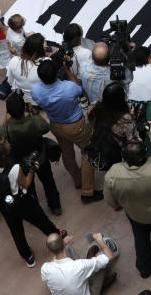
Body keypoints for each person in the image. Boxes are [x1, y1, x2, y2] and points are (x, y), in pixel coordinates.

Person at [104, 122, 151, 280]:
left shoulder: (114, 173)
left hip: (136, 215)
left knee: (140, 238)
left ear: (124, 158)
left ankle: (144, 268)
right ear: (145, 155)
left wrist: (117, 206)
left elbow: (110, 200)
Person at [31, 59, 101, 202]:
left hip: (56, 125)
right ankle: (87, 191)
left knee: (67, 152)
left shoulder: (35, 90)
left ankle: (77, 180)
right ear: (57, 73)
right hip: (76, 125)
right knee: (88, 152)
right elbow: (79, 88)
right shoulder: (68, 87)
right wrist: (68, 70)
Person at [0, 138, 61, 267]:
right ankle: (57, 237)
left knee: (16, 230)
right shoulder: (14, 168)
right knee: (41, 220)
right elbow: (25, 183)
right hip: (21, 201)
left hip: (4, 204)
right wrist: (31, 170)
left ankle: (28, 256)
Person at [0, 92, 62, 215]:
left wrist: (6, 121)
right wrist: (35, 113)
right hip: (39, 156)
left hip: (20, 161)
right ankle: (55, 206)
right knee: (48, 180)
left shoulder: (6, 129)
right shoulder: (34, 121)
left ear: (8, 112)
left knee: (29, 188)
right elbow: (46, 128)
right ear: (24, 108)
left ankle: (35, 210)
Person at [39, 231, 118, 295]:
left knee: (68, 248)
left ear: (48, 250)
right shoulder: (79, 266)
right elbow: (110, 257)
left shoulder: (45, 268)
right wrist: (99, 239)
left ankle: (89, 269)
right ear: (63, 242)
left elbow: (56, 256)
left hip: (74, 280)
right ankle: (102, 285)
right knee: (102, 264)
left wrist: (61, 245)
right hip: (88, 289)